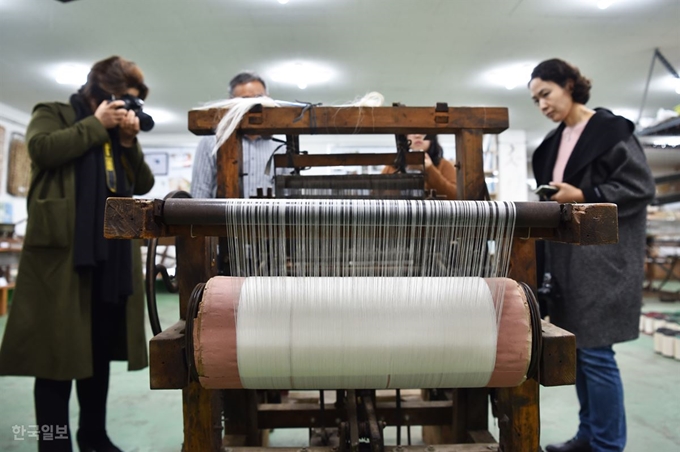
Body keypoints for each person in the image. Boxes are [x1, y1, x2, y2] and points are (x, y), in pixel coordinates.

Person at [0, 56, 155, 452]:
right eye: (122, 100)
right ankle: (54, 445)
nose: (125, 110)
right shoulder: (53, 112)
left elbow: (143, 182)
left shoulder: (116, 134)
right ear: (100, 93)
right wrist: (96, 125)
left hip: (111, 256)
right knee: (55, 355)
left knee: (98, 351)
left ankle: (94, 436)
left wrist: (126, 141)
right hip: (63, 255)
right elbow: (42, 149)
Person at [529, 58, 655, 452]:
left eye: (546, 94)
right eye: (535, 101)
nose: (542, 105)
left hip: (603, 260)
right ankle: (589, 436)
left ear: (569, 84)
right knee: (579, 351)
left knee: (596, 354)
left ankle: (607, 445)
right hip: (567, 261)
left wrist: (582, 195)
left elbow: (639, 187)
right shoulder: (551, 144)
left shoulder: (610, 131)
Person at [191, 72, 283, 198]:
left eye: (259, 97)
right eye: (245, 100)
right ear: (231, 101)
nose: (253, 105)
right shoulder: (211, 142)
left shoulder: (280, 147)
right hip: (220, 217)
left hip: (268, 217)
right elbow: (200, 191)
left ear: (268, 98)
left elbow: (287, 192)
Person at [381, 133, 457, 199]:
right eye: (412, 132)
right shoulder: (391, 168)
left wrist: (430, 170)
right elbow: (377, 196)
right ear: (405, 136)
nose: (417, 135)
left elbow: (455, 196)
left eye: (423, 131)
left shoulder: (444, 165)